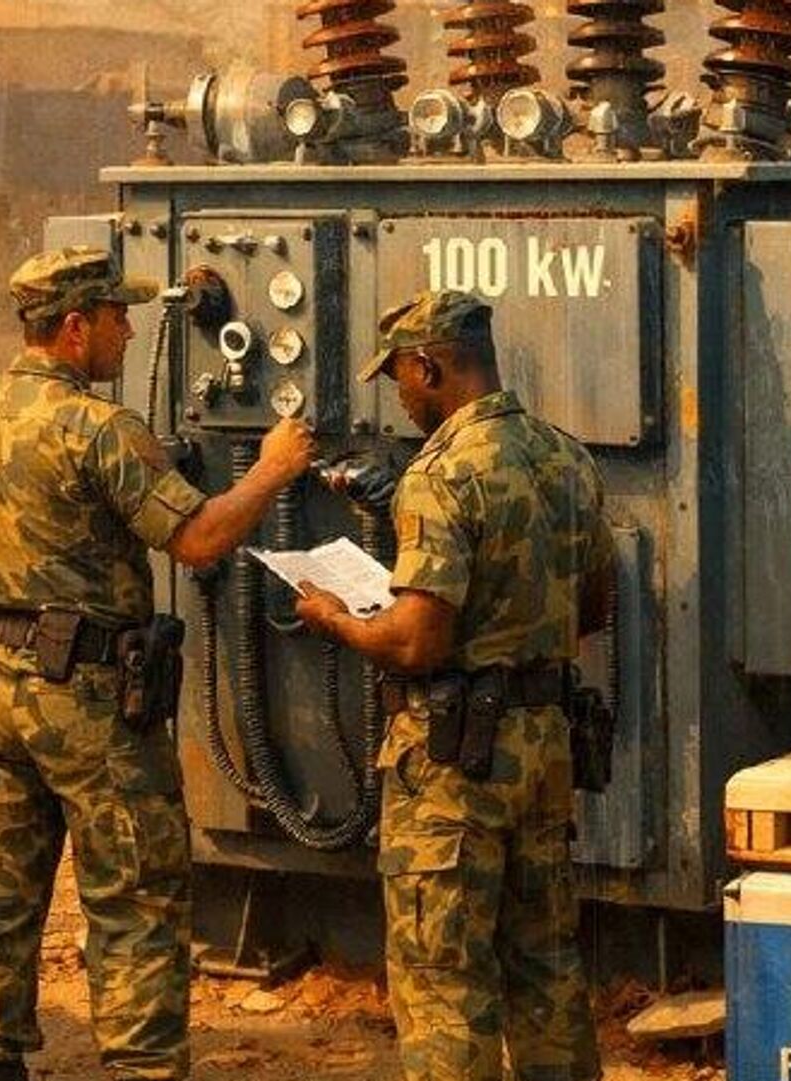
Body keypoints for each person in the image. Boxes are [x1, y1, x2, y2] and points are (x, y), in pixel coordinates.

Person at [0, 247, 316, 1081]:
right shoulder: (99, 429)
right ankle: (141, 1066)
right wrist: (273, 468)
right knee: (134, 894)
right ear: (73, 326)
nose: (128, 331)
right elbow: (197, 538)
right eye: (116, 317)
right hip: (90, 701)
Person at [294, 290, 613, 1081]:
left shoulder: (440, 475)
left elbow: (416, 640)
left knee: (443, 976)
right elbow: (595, 604)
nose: (399, 395)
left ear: (429, 367)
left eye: (400, 375)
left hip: (453, 764)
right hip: (545, 747)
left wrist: (335, 617)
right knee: (546, 961)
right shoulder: (565, 456)